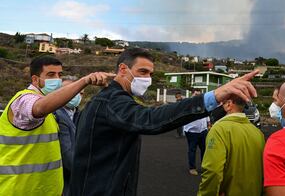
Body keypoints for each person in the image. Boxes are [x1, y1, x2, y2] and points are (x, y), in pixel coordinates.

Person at [70, 48, 258, 196]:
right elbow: (151, 119)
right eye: (142, 71)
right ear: (122, 69)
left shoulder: (108, 98)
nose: (148, 79)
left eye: (151, 74)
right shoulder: (112, 101)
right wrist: (214, 96)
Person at [0, 55, 114, 196]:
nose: (57, 79)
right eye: (50, 75)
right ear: (35, 79)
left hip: (46, 189)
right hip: (19, 189)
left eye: (59, 75)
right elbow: (39, 108)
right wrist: (84, 81)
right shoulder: (23, 100)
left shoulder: (51, 110)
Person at [198, 96, 265, 196]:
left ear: (228, 104)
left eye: (218, 103)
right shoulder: (258, 133)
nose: (214, 106)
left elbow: (213, 171)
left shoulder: (218, 130)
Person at [54, 77, 84, 196]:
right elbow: (67, 154)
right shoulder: (56, 114)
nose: (77, 95)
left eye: (81, 92)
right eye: (72, 91)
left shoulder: (78, 114)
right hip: (62, 180)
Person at [183, 89, 210, 176]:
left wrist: (208, 123)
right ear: (192, 95)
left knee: (204, 149)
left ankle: (204, 167)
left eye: (199, 95)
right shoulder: (188, 104)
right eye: (196, 94)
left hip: (203, 130)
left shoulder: (203, 104)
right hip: (192, 131)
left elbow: (206, 115)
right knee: (192, 149)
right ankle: (192, 168)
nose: (197, 96)